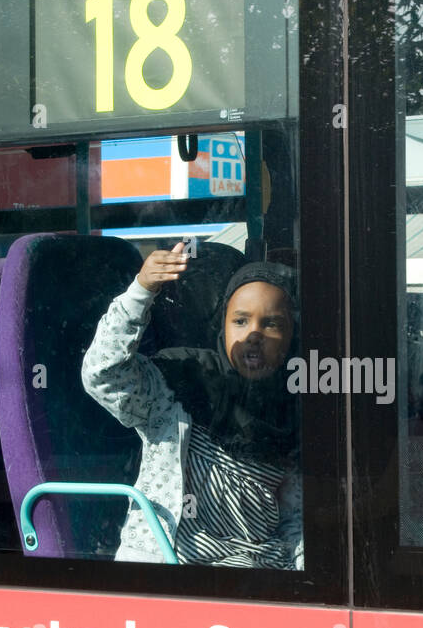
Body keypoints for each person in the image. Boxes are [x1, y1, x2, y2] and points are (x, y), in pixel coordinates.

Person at [82, 244, 303, 569]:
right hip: (166, 570)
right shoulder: (177, 382)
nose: (254, 334)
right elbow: (103, 374)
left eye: (271, 324)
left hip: (256, 577)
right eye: (240, 321)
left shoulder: (295, 412)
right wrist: (141, 291)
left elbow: (294, 523)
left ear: (290, 338)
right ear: (222, 327)